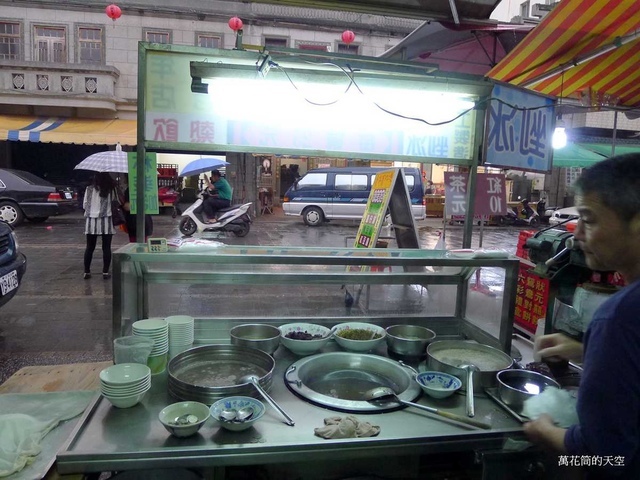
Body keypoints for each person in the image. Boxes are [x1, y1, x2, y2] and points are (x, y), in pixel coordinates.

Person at [523, 153, 640, 478]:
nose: (576, 235)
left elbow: (604, 456)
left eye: (588, 219)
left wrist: (543, 430)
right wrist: (586, 350)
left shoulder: (618, 317)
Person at [82, 172, 118, 279]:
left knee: (89, 247)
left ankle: (87, 271)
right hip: (106, 220)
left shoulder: (89, 189)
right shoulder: (111, 189)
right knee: (106, 248)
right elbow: (115, 203)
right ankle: (105, 272)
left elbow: (84, 205)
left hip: (91, 222)